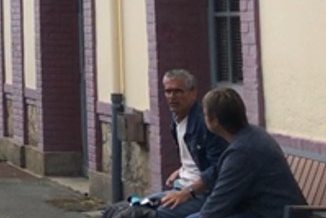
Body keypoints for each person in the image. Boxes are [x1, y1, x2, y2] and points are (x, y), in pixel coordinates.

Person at [131, 69, 229, 218]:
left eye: (178, 91)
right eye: (168, 92)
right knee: (130, 208)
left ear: (193, 93)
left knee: (151, 214)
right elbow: (194, 157)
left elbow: (219, 167)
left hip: (201, 193)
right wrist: (181, 169)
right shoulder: (176, 121)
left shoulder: (205, 124)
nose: (172, 97)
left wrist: (188, 192)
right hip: (181, 186)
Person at [197, 88, 306, 218]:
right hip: (268, 210)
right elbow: (220, 171)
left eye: (204, 114)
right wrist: (190, 191)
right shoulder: (252, 135)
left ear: (214, 120)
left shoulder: (242, 152)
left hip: (273, 213)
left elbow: (217, 205)